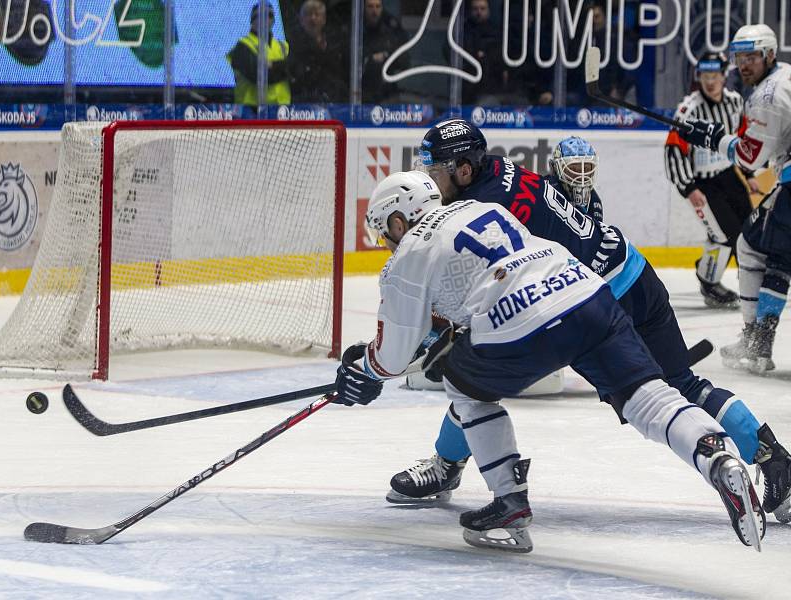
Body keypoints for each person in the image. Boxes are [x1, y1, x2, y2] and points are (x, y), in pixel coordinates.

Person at [334, 169, 765, 552]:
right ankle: (715, 456)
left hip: (519, 321)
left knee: (463, 386)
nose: (386, 244)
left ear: (397, 219)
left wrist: (364, 371)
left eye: (384, 233)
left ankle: (509, 503)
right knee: (647, 396)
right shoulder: (480, 207)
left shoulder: (408, 253)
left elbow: (390, 359)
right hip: (586, 294)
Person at [678, 24, 791, 374]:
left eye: (751, 57)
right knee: (774, 253)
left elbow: (750, 158)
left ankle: (755, 341)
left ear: (769, 55)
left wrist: (714, 138)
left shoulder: (767, 97)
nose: (744, 64)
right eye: (739, 57)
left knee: (752, 248)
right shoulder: (786, 75)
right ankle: (758, 343)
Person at [664, 51, 758, 309]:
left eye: (714, 75)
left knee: (748, 231)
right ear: (699, 77)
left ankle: (751, 282)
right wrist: (689, 187)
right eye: (705, 75)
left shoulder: (735, 103)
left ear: (724, 76)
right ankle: (708, 282)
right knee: (724, 235)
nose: (710, 81)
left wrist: (748, 174)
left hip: (728, 176)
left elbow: (743, 140)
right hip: (703, 184)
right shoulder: (688, 109)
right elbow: (674, 151)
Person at [227, 2, 291, 109]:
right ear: (253, 20)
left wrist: (272, 65)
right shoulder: (243, 45)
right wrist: (284, 66)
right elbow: (258, 75)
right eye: (261, 16)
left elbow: (297, 69)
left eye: (269, 15)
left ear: (274, 20)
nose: (266, 20)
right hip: (251, 109)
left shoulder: (283, 46)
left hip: (282, 108)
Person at [287, 0, 347, 103]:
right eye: (308, 14)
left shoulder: (335, 41)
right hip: (302, 102)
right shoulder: (292, 42)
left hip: (333, 101)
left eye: (317, 14)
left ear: (324, 19)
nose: (313, 18)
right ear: (301, 20)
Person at [362, 0, 409, 104]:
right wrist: (370, 59)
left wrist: (387, 56)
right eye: (370, 7)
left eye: (377, 6)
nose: (374, 11)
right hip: (361, 91)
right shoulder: (357, 29)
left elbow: (405, 61)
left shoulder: (391, 28)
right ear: (364, 8)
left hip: (387, 93)